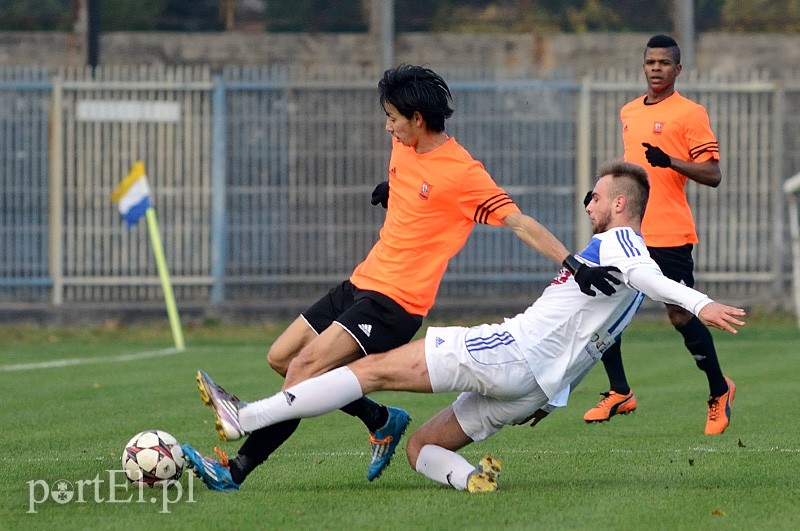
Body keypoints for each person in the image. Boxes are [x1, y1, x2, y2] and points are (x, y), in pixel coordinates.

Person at [180, 64, 620, 492]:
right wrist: (392, 190)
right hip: (362, 282)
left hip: (395, 303)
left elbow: (519, 222)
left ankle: (235, 471)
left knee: (303, 369)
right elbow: (416, 190)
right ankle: (381, 420)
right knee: (281, 357)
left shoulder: (464, 173)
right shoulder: (404, 147)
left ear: (417, 119)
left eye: (393, 119)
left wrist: (573, 263)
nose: (388, 129)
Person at [183, 161, 746, 493]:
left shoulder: (620, 243)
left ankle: (244, 418)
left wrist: (701, 305)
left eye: (594, 195)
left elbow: (653, 278)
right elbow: (594, 338)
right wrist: (553, 399)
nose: (588, 202)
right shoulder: (618, 285)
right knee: (422, 447)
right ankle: (470, 479)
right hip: (533, 391)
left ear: (620, 202)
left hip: (508, 352)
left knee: (368, 368)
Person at [582, 35, 734, 436]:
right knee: (600, 304)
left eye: (664, 63)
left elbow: (714, 175)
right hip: (628, 232)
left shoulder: (690, 113)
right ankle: (619, 390)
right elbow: (632, 172)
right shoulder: (629, 111)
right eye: (650, 62)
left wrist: (671, 162)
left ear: (677, 69)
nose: (655, 68)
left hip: (669, 232)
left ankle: (720, 390)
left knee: (680, 313)